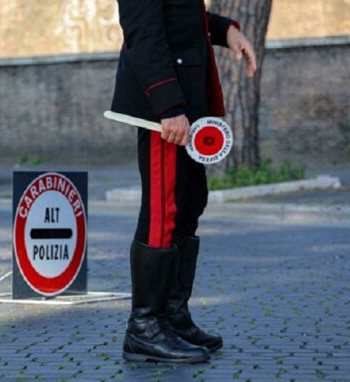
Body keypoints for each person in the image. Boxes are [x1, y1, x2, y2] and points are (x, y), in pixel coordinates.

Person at [110, 0, 257, 363]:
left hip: (186, 104)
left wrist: (226, 30)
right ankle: (144, 326)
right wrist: (168, 105)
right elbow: (144, 32)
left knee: (191, 200)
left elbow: (181, 15)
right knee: (164, 209)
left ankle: (172, 315)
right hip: (165, 111)